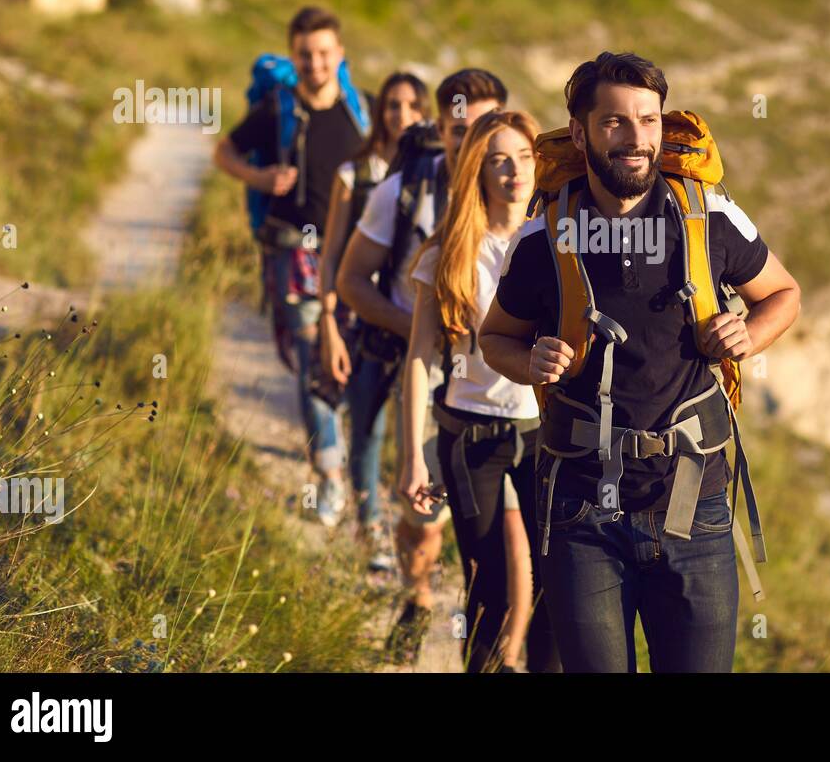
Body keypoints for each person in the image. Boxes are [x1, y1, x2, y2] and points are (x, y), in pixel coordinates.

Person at [480, 51, 801, 672]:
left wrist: (748, 336)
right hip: (581, 511)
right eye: (615, 123)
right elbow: (496, 338)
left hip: (695, 501)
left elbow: (784, 295)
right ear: (580, 132)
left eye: (649, 121)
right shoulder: (545, 235)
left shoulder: (706, 216)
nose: (636, 139)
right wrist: (531, 361)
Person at [337, 68, 515, 664]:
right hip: (424, 375)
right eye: (458, 130)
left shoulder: (524, 197)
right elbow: (350, 281)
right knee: (423, 514)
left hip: (498, 399)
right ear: (439, 129)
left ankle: (502, 649)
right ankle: (416, 597)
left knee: (502, 541)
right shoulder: (403, 191)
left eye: (484, 132)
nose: (470, 145)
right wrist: (424, 328)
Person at [401, 109, 560, 673]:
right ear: (478, 170)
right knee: (489, 584)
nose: (515, 171)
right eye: (498, 160)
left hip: (547, 432)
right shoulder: (450, 251)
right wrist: (411, 461)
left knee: (556, 580)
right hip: (472, 434)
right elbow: (419, 358)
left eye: (523, 156)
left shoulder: (559, 240)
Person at [213, 6, 370, 523]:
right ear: (294, 56)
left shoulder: (360, 112)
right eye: (305, 54)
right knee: (310, 360)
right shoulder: (276, 109)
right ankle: (330, 476)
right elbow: (224, 153)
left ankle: (338, 448)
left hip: (352, 255)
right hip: (292, 250)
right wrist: (260, 180)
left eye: (324, 53)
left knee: (344, 358)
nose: (315, 63)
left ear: (339, 55)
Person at [316, 72, 430, 566]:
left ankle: (417, 535)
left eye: (410, 106)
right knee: (366, 426)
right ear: (379, 112)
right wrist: (327, 323)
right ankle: (371, 529)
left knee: (420, 437)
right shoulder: (356, 174)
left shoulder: (440, 175)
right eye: (391, 106)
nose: (400, 115)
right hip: (365, 320)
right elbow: (333, 252)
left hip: (423, 328)